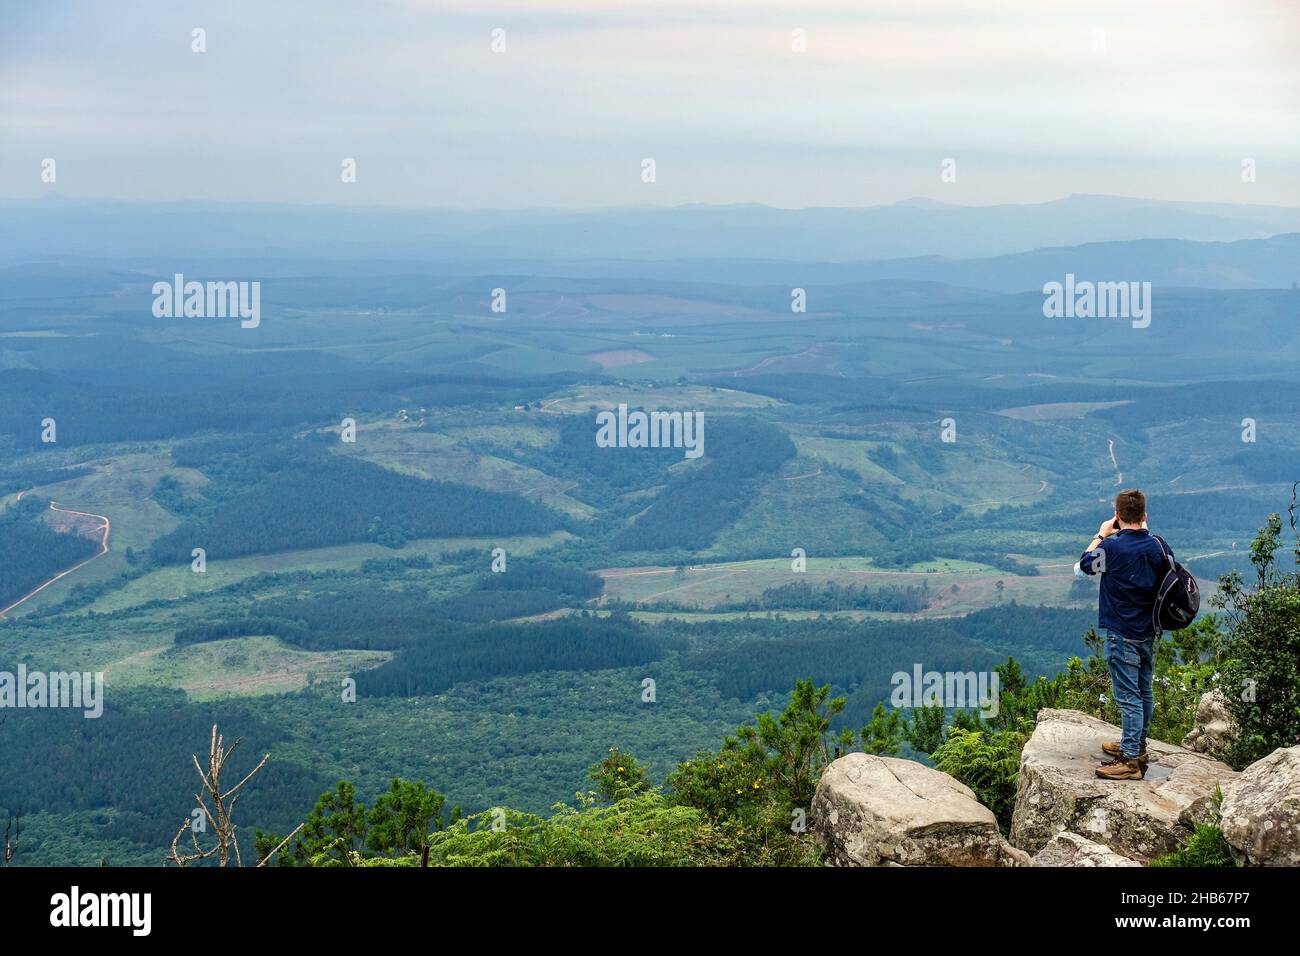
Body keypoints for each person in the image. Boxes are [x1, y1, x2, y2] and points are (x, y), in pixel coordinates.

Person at [1075, 488, 1170, 781]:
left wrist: (1101, 534)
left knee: (1128, 697)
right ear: (1144, 516)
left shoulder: (1113, 548)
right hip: (1148, 633)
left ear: (1117, 517)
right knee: (1144, 691)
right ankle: (1136, 746)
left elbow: (1082, 568)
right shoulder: (1157, 546)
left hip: (1122, 633)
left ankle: (1130, 761)